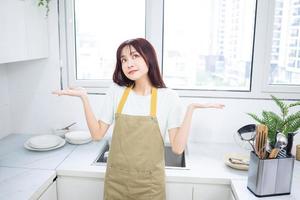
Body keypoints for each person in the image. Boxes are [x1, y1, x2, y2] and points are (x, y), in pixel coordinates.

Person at [53, 38, 224, 200]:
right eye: (124, 60)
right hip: (116, 183)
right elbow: (97, 135)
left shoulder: (168, 97)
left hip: (150, 187)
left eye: (135, 56)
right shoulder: (116, 92)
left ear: (148, 58)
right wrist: (84, 97)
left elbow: (178, 148)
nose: (129, 63)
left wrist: (190, 109)